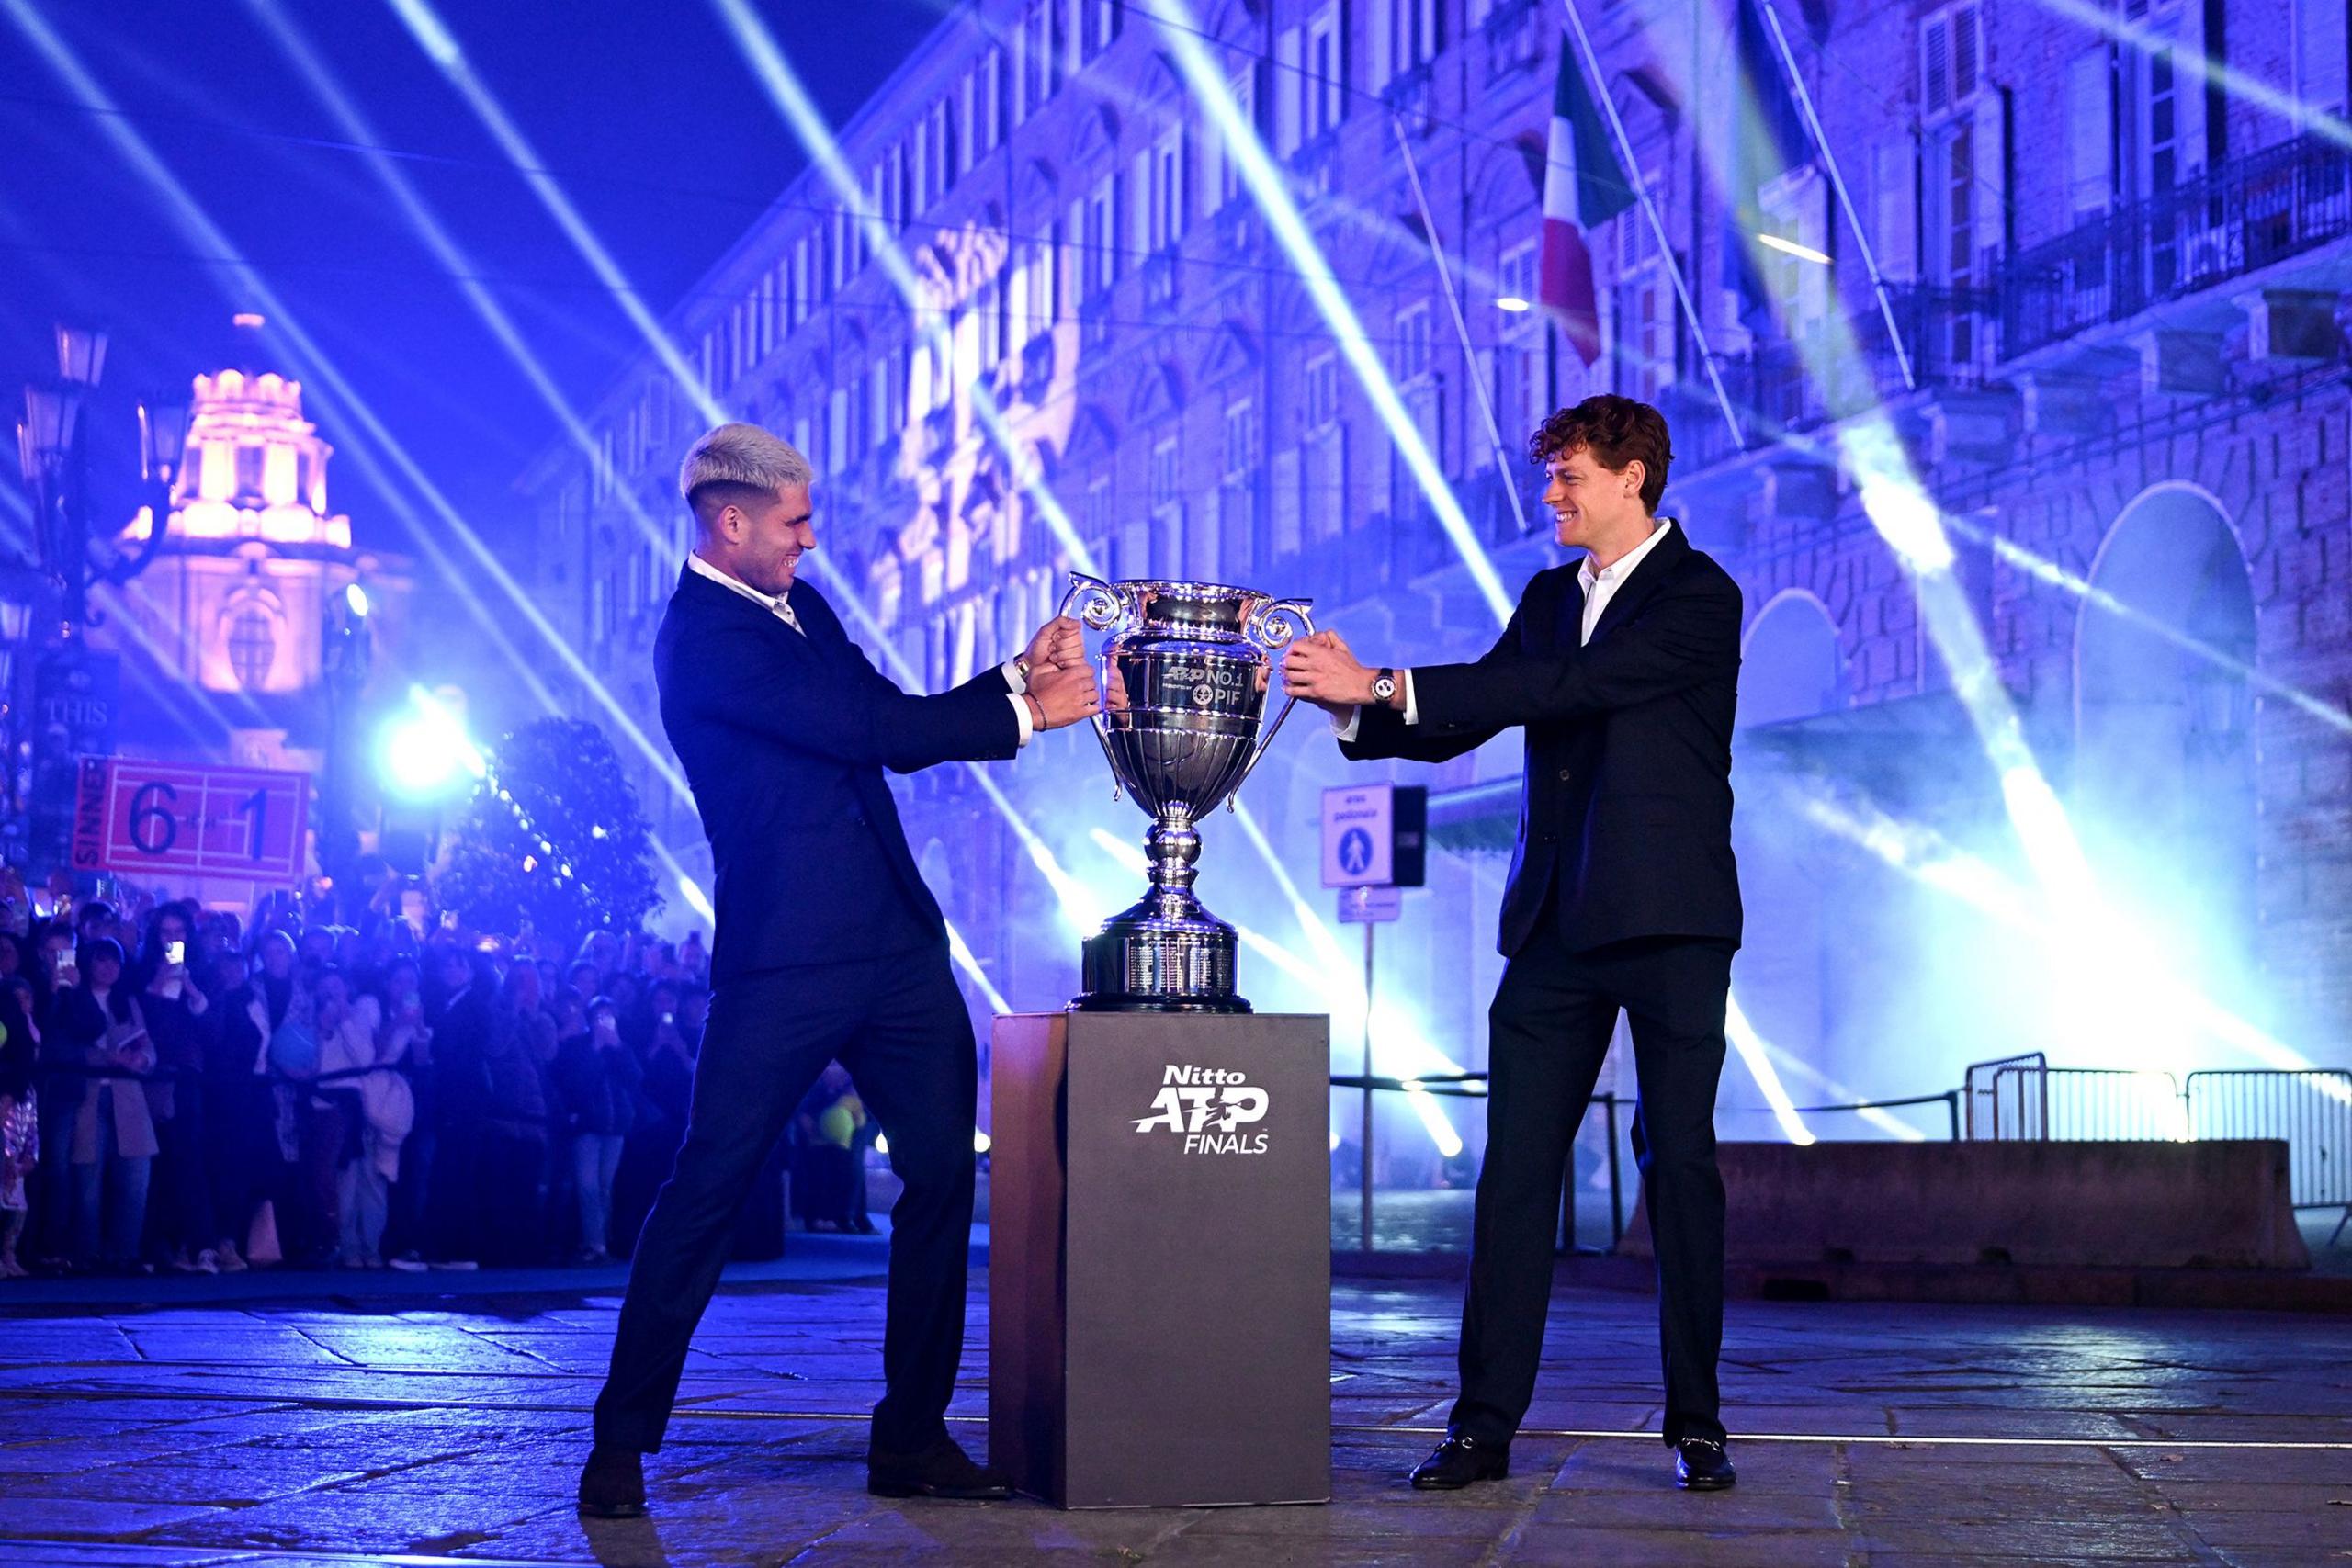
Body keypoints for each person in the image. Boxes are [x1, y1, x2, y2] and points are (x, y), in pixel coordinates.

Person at [579, 423, 1100, 1516]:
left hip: (898, 948)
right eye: (794, 523)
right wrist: (1026, 713)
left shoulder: (802, 609)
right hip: (786, 959)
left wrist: (1016, 670)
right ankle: (620, 1441)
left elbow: (883, 709)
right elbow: (871, 729)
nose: (810, 543)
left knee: (945, 1181)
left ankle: (910, 1435)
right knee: (709, 1184)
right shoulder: (701, 641)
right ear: (730, 522)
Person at [1283, 395, 1745, 1494]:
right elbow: (1480, 713)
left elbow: (1570, 689)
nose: (1551, 497)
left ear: (1632, 479)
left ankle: (1697, 1423)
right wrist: (1353, 707)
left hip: (1670, 920)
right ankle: (1481, 1428)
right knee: (1514, 1178)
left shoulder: (1700, 596)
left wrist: (1386, 680)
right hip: (1551, 925)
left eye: (1569, 477)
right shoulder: (1547, 596)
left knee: (1675, 1165)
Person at [48, 939, 159, 1273]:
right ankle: (88, 1253)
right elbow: (61, 1047)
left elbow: (148, 1046)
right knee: (87, 1181)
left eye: (115, 961)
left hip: (128, 1095)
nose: (109, 967)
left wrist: (142, 1059)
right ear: (87, 964)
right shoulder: (70, 997)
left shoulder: (128, 1002)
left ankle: (125, 1251)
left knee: (135, 1179)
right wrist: (103, 1057)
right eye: (101, 961)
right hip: (88, 1095)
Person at [555, 996, 639, 1264]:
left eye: (610, 1016)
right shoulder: (578, 1047)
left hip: (616, 1126)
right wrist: (595, 1049)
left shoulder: (621, 1048)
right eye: (600, 1017)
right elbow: (576, 1085)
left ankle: (601, 1242)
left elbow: (636, 1078)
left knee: (605, 1186)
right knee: (587, 1184)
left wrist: (618, 1048)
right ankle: (595, 1243)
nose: (605, 1022)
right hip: (588, 1125)